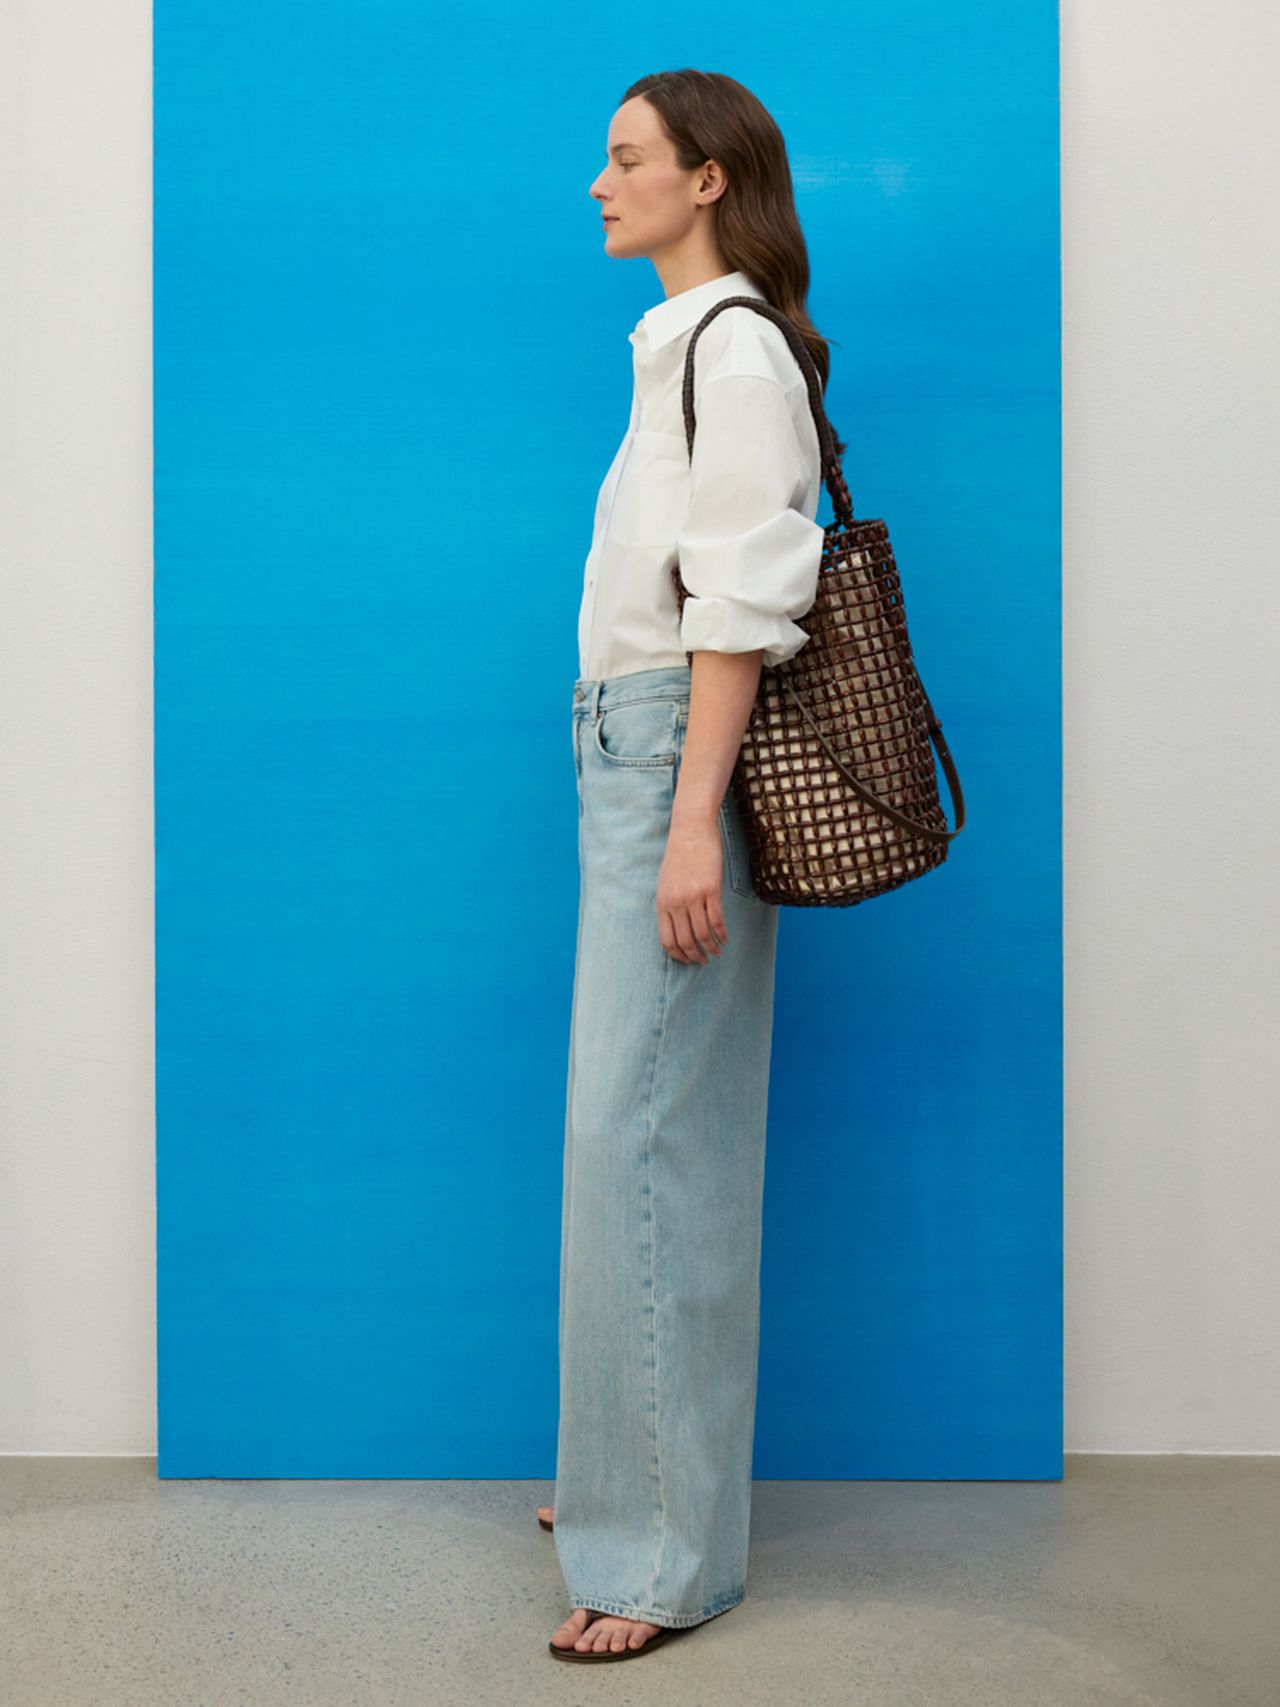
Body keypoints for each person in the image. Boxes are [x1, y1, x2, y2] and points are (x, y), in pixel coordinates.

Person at [546, 69, 840, 1664]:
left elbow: (737, 609)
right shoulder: (676, 350)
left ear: (709, 179)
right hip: (629, 751)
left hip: (673, 761)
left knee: (650, 1142)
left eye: (628, 158)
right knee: (630, 1140)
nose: (601, 183)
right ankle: (628, 1471)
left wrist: (683, 825)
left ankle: (659, 1550)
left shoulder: (734, 356)